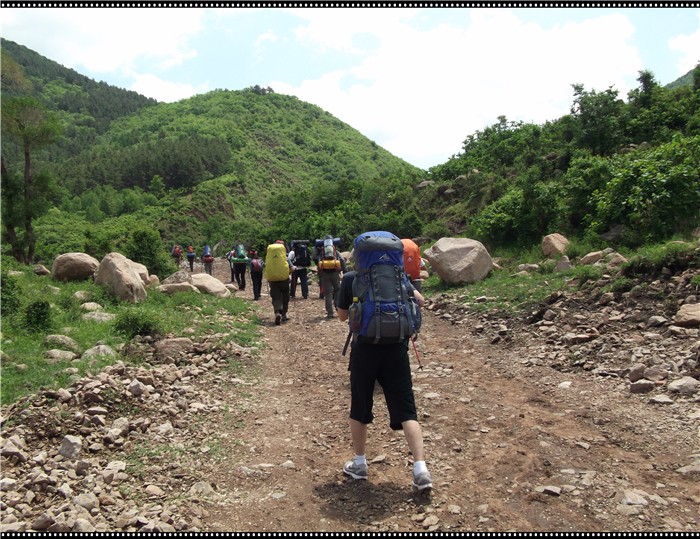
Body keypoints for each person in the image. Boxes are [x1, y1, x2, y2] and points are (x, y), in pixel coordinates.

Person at [336, 233, 432, 493]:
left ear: (359, 255)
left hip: (365, 349)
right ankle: (420, 468)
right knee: (406, 409)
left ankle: (359, 463)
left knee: (360, 404)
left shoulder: (351, 278)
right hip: (397, 349)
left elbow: (343, 316)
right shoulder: (400, 277)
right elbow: (421, 303)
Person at [264, 240, 293, 325]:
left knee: (276, 296)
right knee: (285, 296)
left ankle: (277, 312)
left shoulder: (269, 256)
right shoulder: (284, 256)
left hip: (272, 279)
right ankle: (284, 314)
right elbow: (291, 266)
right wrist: (292, 268)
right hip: (284, 279)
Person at [317, 235, 346, 318]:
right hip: (335, 273)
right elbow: (342, 260)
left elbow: (318, 261)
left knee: (328, 293)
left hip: (325, 274)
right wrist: (344, 271)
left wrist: (320, 274)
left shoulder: (322, 252)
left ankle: (330, 313)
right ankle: (338, 307)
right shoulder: (335, 251)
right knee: (337, 290)